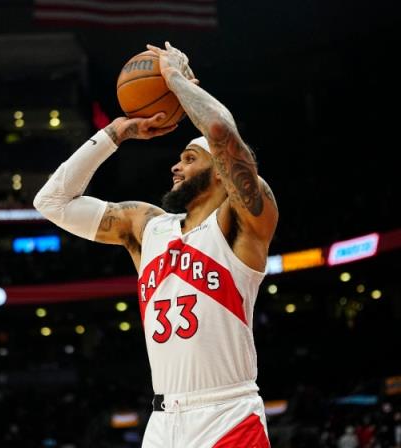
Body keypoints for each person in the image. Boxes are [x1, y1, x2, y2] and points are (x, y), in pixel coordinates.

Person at [34, 41, 278, 447]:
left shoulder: (240, 225)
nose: (175, 166)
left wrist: (175, 79)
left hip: (228, 414)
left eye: (189, 158)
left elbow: (221, 133)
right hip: (163, 422)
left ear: (222, 172)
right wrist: (117, 132)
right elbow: (52, 201)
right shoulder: (147, 227)